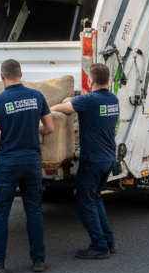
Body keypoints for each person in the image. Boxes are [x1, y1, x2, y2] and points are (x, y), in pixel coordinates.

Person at [0, 59, 54, 273]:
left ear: (2, 76)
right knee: (34, 211)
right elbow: (50, 128)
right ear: (21, 74)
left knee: (1, 214)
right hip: (32, 162)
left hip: (8, 163)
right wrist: (31, 128)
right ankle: (38, 260)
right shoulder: (37, 96)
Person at [51, 63, 120, 259]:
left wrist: (46, 109)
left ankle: (99, 246)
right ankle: (109, 241)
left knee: (84, 202)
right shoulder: (113, 99)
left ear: (90, 81)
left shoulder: (88, 100)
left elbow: (63, 109)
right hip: (108, 158)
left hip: (93, 160)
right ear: (108, 80)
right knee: (96, 197)